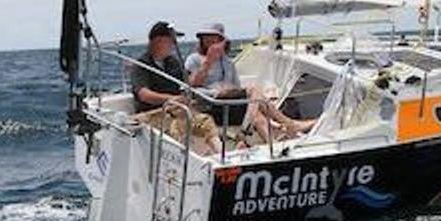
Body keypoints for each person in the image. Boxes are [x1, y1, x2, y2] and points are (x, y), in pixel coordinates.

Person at [184, 21, 314, 144]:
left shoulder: (228, 63)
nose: (210, 41)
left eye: (214, 38)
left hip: (230, 104)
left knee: (257, 115)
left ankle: (273, 146)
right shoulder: (194, 59)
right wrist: (209, 61)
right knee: (254, 90)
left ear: (222, 41)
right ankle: (290, 124)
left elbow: (237, 88)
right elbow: (192, 84)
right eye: (206, 37)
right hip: (211, 104)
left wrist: (230, 89)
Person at [130, 21, 221, 156]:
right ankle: (181, 166)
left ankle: (222, 155)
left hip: (176, 110)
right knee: (174, 128)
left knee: (205, 121)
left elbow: (190, 82)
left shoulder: (172, 62)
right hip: (153, 113)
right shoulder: (141, 65)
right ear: (159, 41)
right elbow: (144, 94)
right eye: (171, 41)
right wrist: (173, 99)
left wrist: (208, 63)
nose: (174, 45)